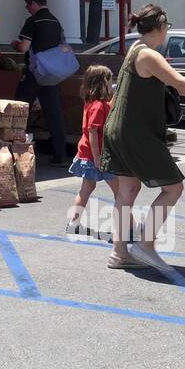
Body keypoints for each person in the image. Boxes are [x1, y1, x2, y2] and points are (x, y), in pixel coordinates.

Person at [102, 4, 185, 271]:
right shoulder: (149, 56)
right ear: (161, 27)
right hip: (135, 132)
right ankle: (145, 245)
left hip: (117, 126)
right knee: (173, 188)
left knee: (127, 190)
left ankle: (119, 253)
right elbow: (181, 84)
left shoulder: (135, 49)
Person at [65, 64, 122, 240]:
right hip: (97, 156)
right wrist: (98, 158)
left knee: (86, 189)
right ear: (102, 83)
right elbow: (93, 132)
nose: (111, 83)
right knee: (121, 193)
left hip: (88, 154)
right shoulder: (98, 106)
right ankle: (126, 228)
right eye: (109, 79)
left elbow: (108, 108)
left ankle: (73, 224)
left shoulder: (94, 103)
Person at [13, 0, 69, 168]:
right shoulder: (56, 21)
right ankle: (60, 155)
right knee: (54, 114)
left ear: (34, 3)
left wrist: (15, 44)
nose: (27, 9)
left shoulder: (32, 21)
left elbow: (24, 47)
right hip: (52, 74)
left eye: (28, 5)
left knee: (19, 109)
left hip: (35, 73)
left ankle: (17, 150)